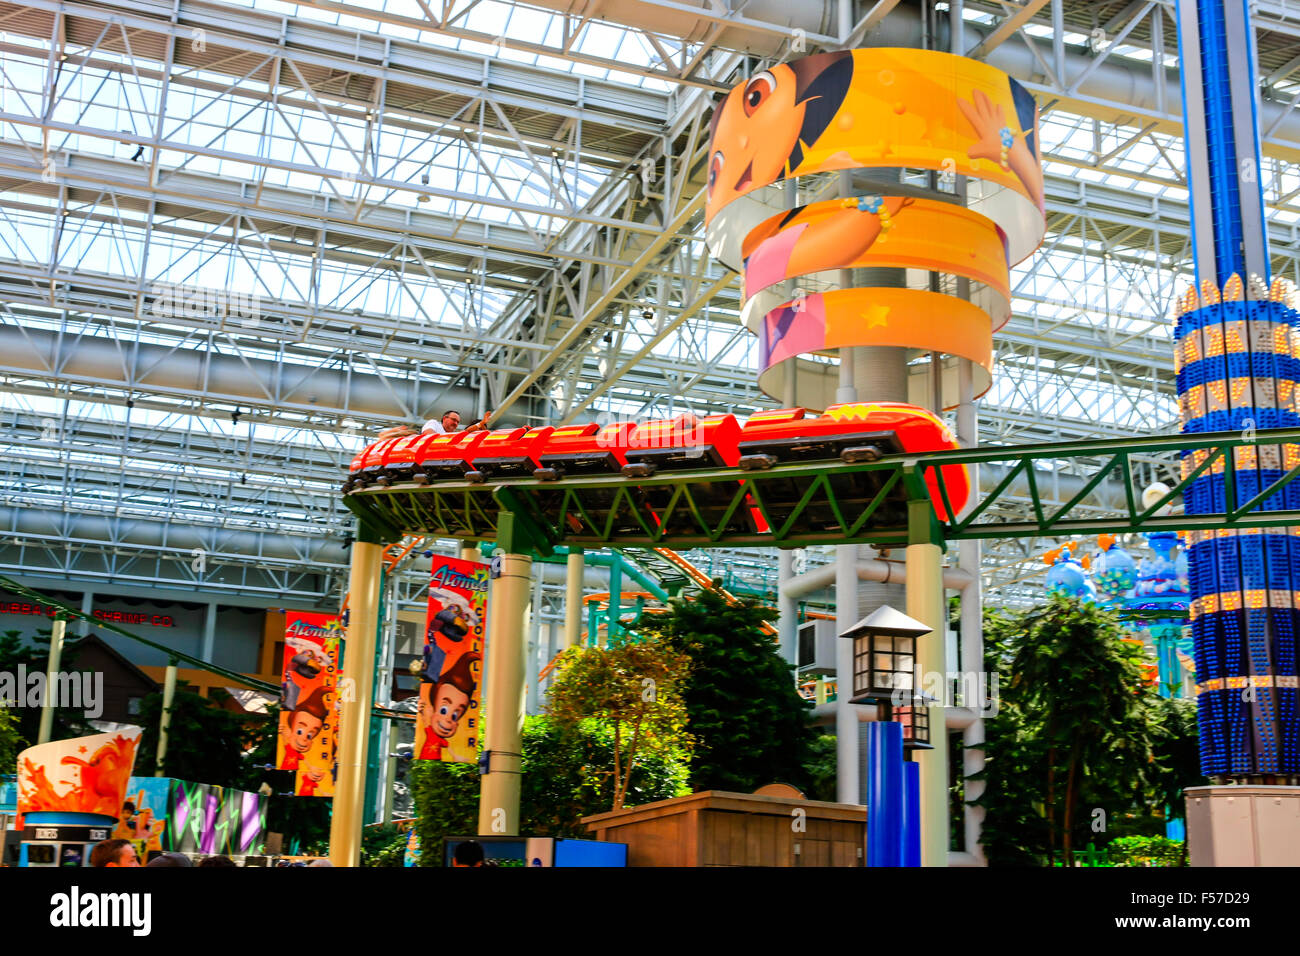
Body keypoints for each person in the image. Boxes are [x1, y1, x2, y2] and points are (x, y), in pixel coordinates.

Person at [376, 409, 493, 442]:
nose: (455, 423)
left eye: (457, 422)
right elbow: (428, 436)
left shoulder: (451, 435)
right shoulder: (434, 424)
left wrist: (480, 425)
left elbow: (466, 432)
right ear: (444, 418)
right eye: (453, 420)